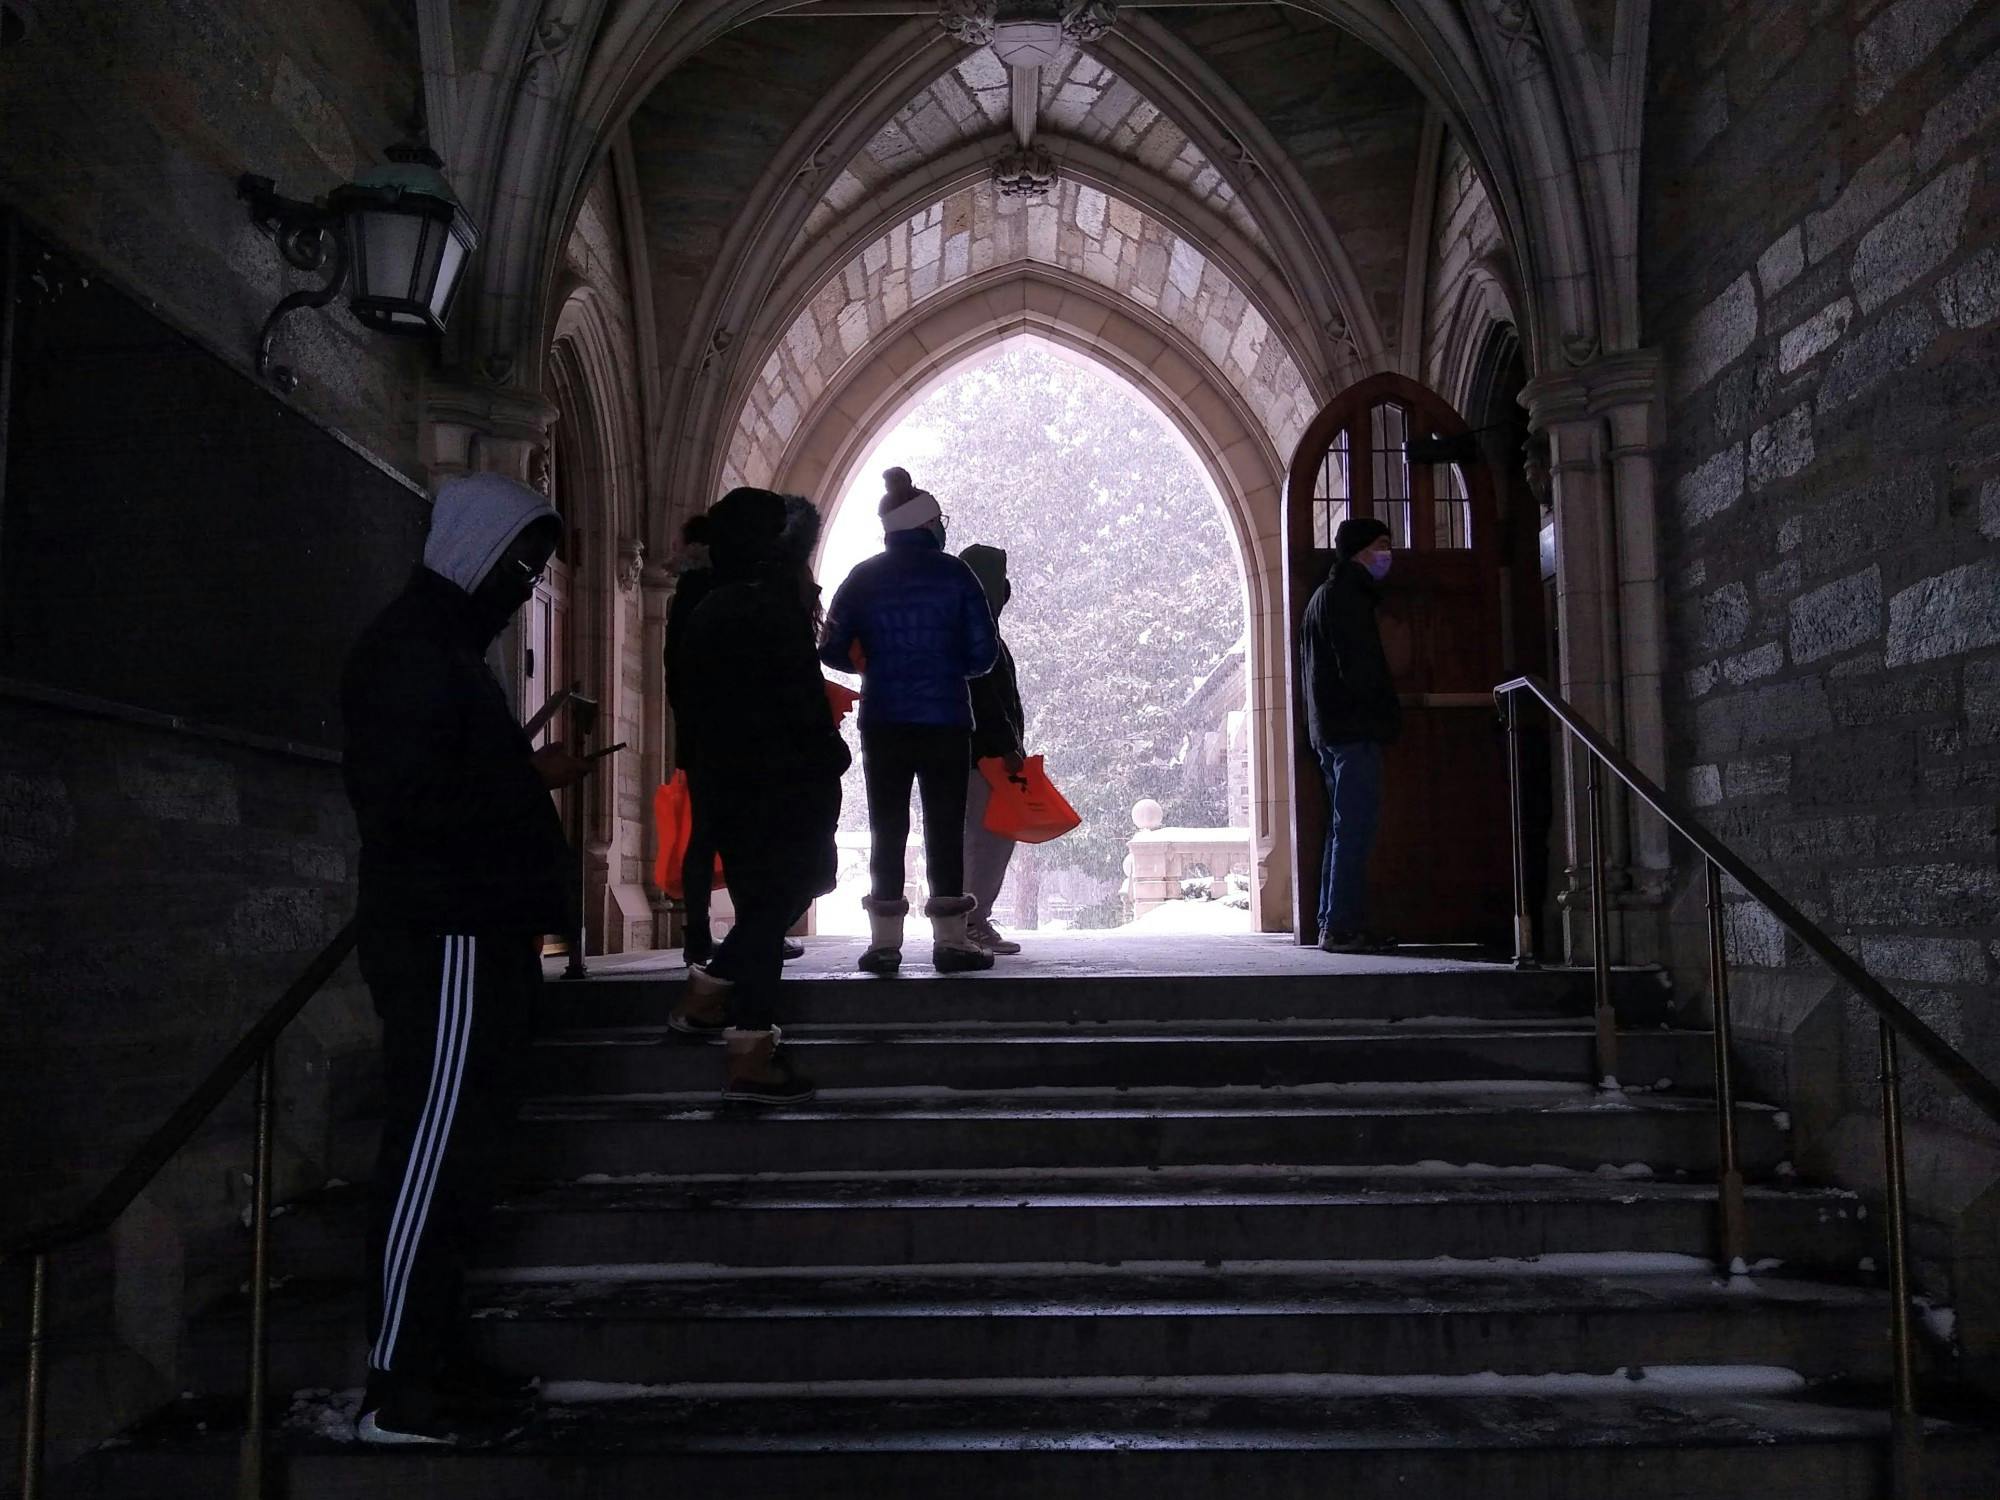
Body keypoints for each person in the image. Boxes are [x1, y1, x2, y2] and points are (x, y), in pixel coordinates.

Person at [340, 472, 592, 1446]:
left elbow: (451, 776)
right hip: (445, 934)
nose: (527, 586)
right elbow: (415, 804)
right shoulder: (413, 652)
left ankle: (436, 1362)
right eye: (522, 564)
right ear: (477, 551)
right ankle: (397, 1388)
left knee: (465, 1157)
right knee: (430, 1157)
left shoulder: (443, 652)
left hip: (473, 934)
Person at [668, 488, 848, 1102]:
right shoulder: (771, 609)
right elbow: (799, 700)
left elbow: (687, 698)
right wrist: (833, 754)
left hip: (727, 779)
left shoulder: (707, 607)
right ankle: (742, 1041)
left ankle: (719, 1008)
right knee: (772, 911)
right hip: (778, 785)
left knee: (763, 911)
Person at [819, 469, 998, 973]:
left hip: (884, 717)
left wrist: (874, 664)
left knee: (887, 826)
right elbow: (983, 655)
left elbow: (830, 648)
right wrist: (945, 668)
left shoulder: (862, 576)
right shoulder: (957, 575)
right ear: (927, 524)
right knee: (945, 827)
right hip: (945, 719)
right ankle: (951, 941)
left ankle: (884, 944)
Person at [1299, 516, 1400, 954]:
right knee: (1354, 827)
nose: (1387, 554)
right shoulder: (1349, 597)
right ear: (1360, 550)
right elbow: (1359, 669)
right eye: (1381, 544)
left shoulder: (1322, 597)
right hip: (1353, 728)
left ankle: (1332, 920)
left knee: (1342, 829)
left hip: (1329, 729)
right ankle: (1342, 925)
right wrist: (1385, 714)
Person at [959, 543, 1027, 955]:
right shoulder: (978, 636)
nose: (1007, 589)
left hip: (978, 757)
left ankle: (971, 918)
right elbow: (985, 700)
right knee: (986, 839)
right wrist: (1007, 747)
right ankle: (972, 919)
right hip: (982, 760)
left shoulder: (980, 633)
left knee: (983, 838)